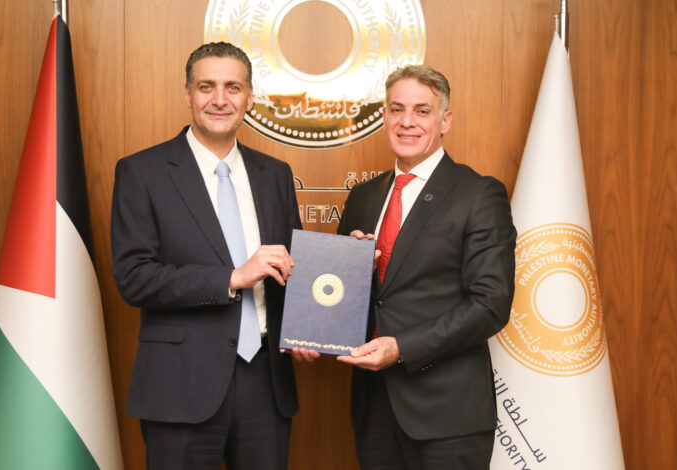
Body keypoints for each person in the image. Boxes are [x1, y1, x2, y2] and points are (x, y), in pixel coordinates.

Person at [111, 42, 301, 470]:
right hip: (181, 384)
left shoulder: (275, 174)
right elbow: (134, 277)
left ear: (249, 97)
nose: (220, 99)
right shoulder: (142, 172)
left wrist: (315, 321)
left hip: (266, 383)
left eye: (233, 87)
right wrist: (232, 277)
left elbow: (291, 268)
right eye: (206, 87)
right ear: (188, 94)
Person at [335, 65, 517, 469]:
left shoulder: (478, 194)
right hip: (374, 409)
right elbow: (346, 295)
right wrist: (312, 330)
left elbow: (490, 304)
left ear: (445, 120)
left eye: (421, 111)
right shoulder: (363, 197)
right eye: (396, 109)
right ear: (384, 116)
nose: (407, 122)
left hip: (447, 415)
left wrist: (402, 348)